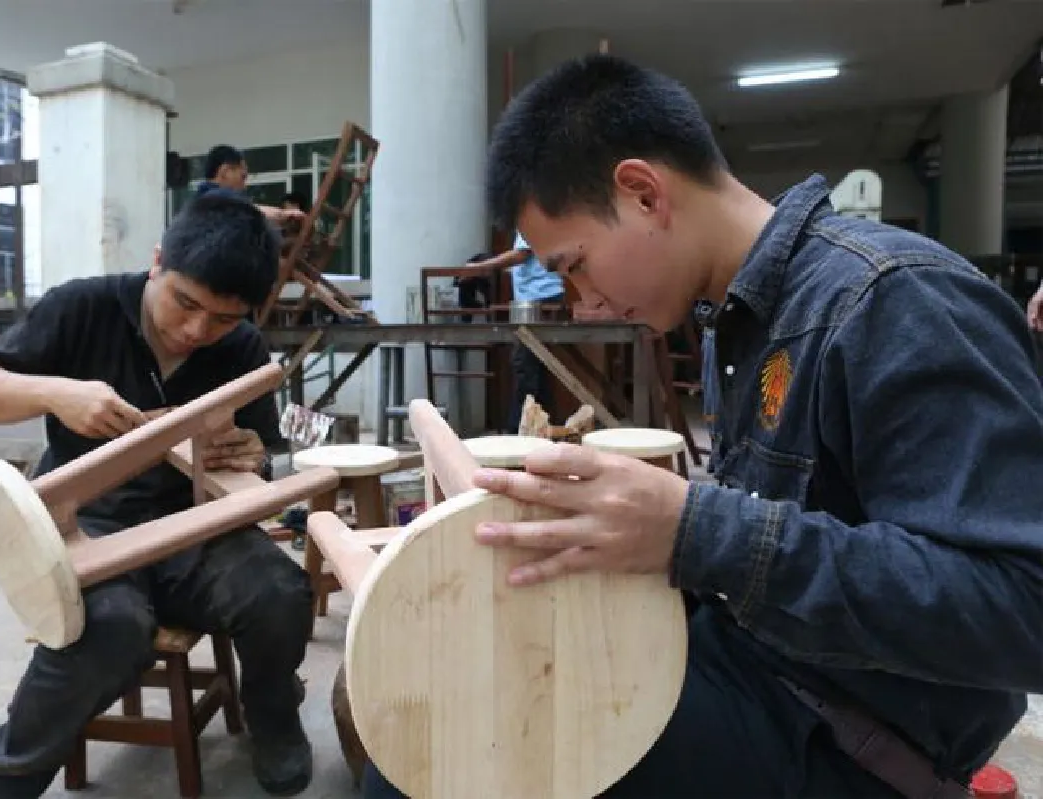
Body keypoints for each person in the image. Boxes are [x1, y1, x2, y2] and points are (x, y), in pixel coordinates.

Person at [363, 54, 1043, 798]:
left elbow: (1021, 608)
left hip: (849, 739)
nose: (583, 304)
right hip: (758, 665)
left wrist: (697, 531)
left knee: (440, 770)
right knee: (427, 709)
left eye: (577, 265)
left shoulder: (894, 299)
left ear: (644, 192)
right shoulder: (734, 320)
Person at [0, 190, 315, 798]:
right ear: (157, 262)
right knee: (106, 629)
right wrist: (54, 393)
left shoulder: (243, 348)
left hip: (195, 527)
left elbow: (261, 455)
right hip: (90, 524)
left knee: (280, 594)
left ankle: (273, 717)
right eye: (185, 303)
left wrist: (248, 452)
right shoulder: (82, 307)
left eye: (223, 319)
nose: (198, 330)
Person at [465, 233, 566, 430]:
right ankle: (542, 426)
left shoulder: (529, 212)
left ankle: (517, 429)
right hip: (541, 295)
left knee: (525, 364)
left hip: (538, 297)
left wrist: (480, 267)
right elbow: (526, 261)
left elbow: (522, 254)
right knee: (537, 365)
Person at [197, 144, 303, 224]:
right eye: (242, 177)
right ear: (225, 172)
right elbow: (251, 211)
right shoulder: (216, 199)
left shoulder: (199, 202)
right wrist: (286, 214)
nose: (244, 186)